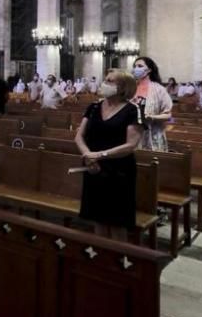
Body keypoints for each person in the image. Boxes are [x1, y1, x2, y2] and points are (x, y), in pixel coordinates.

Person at [74, 70, 143, 240]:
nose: (105, 84)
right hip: (94, 168)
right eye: (105, 80)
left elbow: (130, 145)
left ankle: (119, 259)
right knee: (98, 219)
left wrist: (99, 155)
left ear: (123, 88)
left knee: (117, 222)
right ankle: (101, 258)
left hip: (119, 171)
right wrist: (87, 155)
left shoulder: (132, 110)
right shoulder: (94, 107)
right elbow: (79, 136)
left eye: (110, 81)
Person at [131, 56, 172, 151]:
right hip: (132, 136)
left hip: (153, 134)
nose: (136, 68)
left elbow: (168, 116)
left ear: (149, 70)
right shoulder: (130, 88)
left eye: (140, 66)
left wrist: (152, 117)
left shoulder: (159, 89)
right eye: (135, 66)